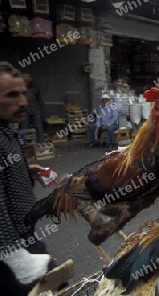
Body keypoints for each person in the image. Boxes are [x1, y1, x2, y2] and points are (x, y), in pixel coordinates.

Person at [0, 62, 71, 295]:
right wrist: (18, 258)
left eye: (23, 93)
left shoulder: (6, 130)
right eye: (12, 95)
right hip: (8, 244)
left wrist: (23, 170)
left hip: (24, 233)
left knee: (55, 283)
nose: (23, 101)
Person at [21, 74, 45, 143]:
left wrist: (40, 108)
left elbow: (39, 99)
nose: (26, 83)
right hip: (25, 110)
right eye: (25, 82)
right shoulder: (21, 89)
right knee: (24, 127)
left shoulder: (35, 88)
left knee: (38, 126)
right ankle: (23, 143)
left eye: (28, 82)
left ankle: (41, 143)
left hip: (35, 109)